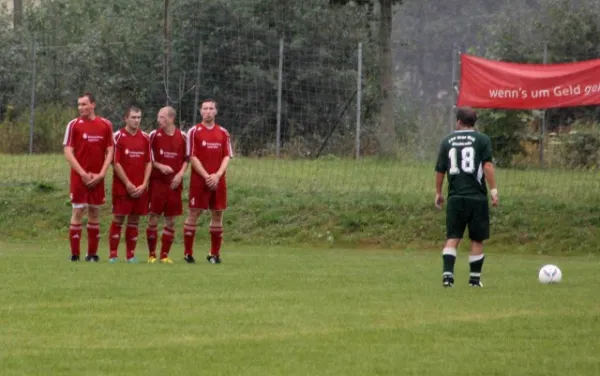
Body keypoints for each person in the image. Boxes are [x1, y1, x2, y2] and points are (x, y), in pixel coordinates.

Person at [434, 107, 499, 288]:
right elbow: (487, 166)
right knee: (477, 238)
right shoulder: (482, 140)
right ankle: (474, 280)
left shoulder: (447, 141)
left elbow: (440, 169)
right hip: (476, 197)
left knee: (453, 237)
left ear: (458, 122)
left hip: (455, 197)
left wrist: (438, 193)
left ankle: (448, 278)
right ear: (474, 122)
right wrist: (493, 191)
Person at [63, 92, 114, 262]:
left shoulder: (105, 125)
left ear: (93, 104)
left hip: (97, 178)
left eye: (84, 104)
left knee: (94, 211)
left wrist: (101, 174)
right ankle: (75, 254)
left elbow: (110, 150)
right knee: (78, 211)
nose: (81, 108)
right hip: (80, 177)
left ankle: (92, 254)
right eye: (79, 105)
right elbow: (68, 152)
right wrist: (83, 173)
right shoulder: (73, 125)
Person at [183, 99, 233, 264]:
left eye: (211, 108)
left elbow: (227, 155)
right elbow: (192, 156)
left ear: (216, 112)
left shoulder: (223, 133)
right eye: (205, 108)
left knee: (217, 213)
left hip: (218, 180)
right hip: (200, 180)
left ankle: (214, 254)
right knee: (194, 212)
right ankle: (188, 253)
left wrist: (217, 175)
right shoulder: (194, 131)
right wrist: (206, 176)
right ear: (200, 112)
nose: (208, 111)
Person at [108, 105, 152, 263]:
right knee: (118, 219)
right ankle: (113, 254)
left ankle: (131, 255)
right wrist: (127, 183)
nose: (136, 120)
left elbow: (148, 162)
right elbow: (116, 162)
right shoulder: (118, 136)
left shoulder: (146, 138)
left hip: (140, 187)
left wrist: (144, 184)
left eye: (139, 117)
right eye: (133, 117)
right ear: (125, 118)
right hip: (122, 187)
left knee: (134, 220)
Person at [146, 106, 189, 264]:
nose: (159, 120)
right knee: (153, 218)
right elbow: (147, 158)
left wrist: (180, 174)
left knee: (171, 220)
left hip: (174, 184)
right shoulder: (153, 136)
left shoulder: (183, 137)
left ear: (171, 119)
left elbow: (187, 159)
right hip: (157, 183)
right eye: (158, 117)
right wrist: (159, 166)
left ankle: (164, 255)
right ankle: (152, 254)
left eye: (162, 117)